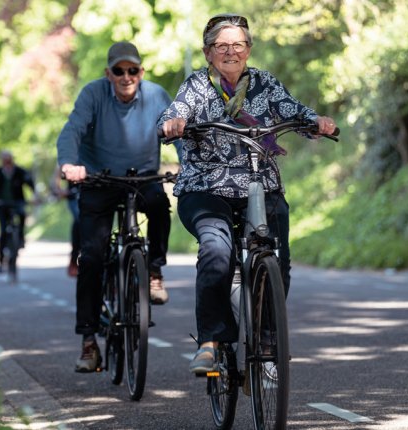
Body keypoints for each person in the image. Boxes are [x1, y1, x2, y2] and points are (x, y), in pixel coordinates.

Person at [158, 13, 337, 373]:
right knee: (216, 250)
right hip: (207, 187)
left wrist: (315, 121)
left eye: (237, 45)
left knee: (277, 256)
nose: (230, 52)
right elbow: (175, 112)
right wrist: (173, 124)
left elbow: (292, 110)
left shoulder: (265, 84)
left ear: (248, 50)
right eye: (221, 46)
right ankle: (212, 339)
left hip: (261, 183)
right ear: (208, 53)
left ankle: (268, 332)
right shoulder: (196, 86)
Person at [57, 41, 175, 372]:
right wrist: (69, 163)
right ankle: (89, 341)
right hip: (99, 180)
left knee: (160, 206)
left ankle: (153, 271)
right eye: (119, 71)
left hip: (142, 179)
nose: (126, 76)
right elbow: (72, 131)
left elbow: (178, 131)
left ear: (141, 72)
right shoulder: (93, 95)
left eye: (132, 70)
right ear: (108, 73)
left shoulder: (156, 96)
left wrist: (192, 164)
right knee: (91, 257)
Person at [0, 150, 36, 272]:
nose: (7, 161)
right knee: (3, 230)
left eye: (9, 158)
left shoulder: (20, 172)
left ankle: (21, 238)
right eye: (5, 159)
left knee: (22, 216)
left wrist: (34, 196)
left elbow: (31, 184)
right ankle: (1, 258)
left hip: (18, 202)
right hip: (2, 204)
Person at [51, 165, 80, 277]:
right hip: (74, 195)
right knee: (79, 218)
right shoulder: (72, 152)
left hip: (96, 191)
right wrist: (58, 189)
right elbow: (58, 171)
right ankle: (74, 260)